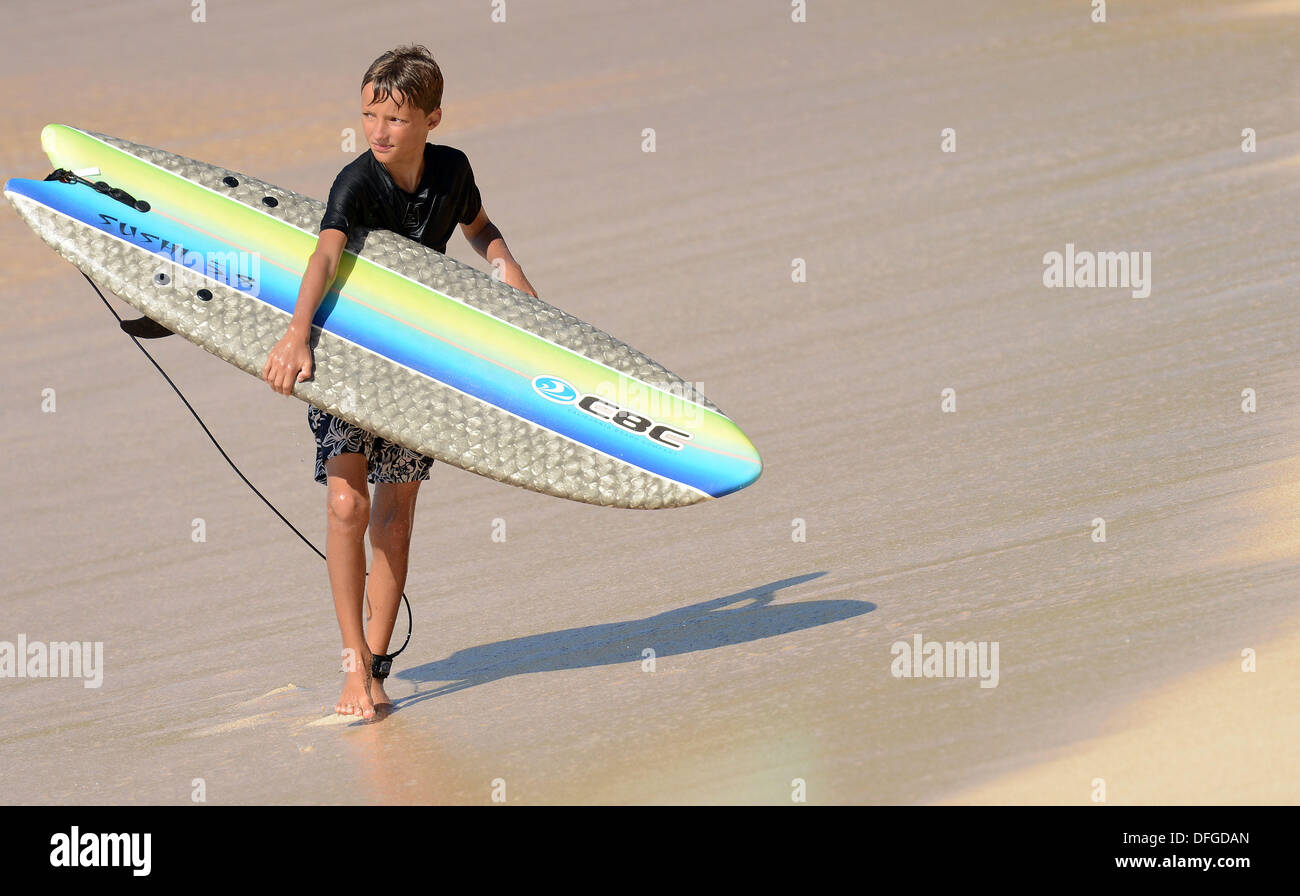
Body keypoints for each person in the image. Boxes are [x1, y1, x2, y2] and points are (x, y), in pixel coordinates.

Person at [261, 45, 537, 719]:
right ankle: (352, 667)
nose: (377, 132)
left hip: (419, 357)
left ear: (431, 118)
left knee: (395, 518)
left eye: (392, 119)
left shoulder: (452, 172)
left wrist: (505, 263)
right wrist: (296, 335)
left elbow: (478, 226)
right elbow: (325, 254)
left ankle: (378, 669)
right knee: (347, 505)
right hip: (348, 348)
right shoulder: (356, 182)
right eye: (367, 116)